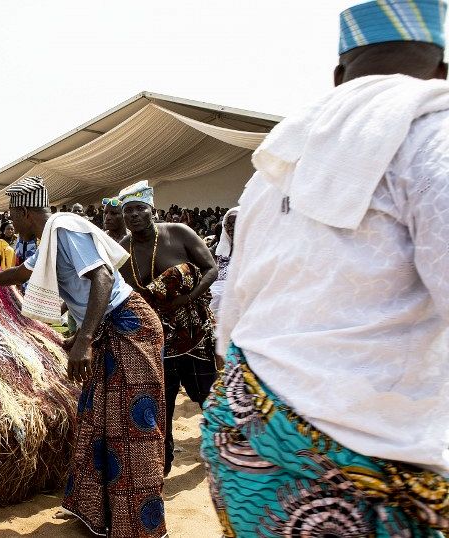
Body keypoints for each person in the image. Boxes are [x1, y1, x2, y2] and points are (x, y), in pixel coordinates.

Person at [203, 2, 449, 534]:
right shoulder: (435, 142)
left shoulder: (276, 166)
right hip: (368, 451)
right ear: (443, 69)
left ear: (339, 75)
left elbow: (233, 309)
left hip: (247, 431)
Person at [0, 176, 166, 537]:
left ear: (24, 212)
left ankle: (138, 526)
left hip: (129, 327)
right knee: (97, 417)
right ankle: (98, 513)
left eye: (11, 214)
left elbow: (102, 278)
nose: (9, 222)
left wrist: (82, 340)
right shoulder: (49, 238)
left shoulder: (65, 227)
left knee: (133, 428)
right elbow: (21, 272)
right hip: (106, 330)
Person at [117, 181, 217, 476]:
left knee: (206, 396)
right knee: (164, 404)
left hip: (195, 333)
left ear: (152, 210)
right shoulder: (123, 250)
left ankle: (223, 452)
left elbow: (211, 268)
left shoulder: (178, 233)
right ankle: (163, 466)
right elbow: (120, 293)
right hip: (157, 339)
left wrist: (188, 297)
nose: (134, 215)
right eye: (129, 211)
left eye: (139, 209)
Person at [208, 207, 238, 316]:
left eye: (235, 223)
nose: (231, 228)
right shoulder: (219, 250)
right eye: (228, 224)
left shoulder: (252, 248)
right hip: (216, 295)